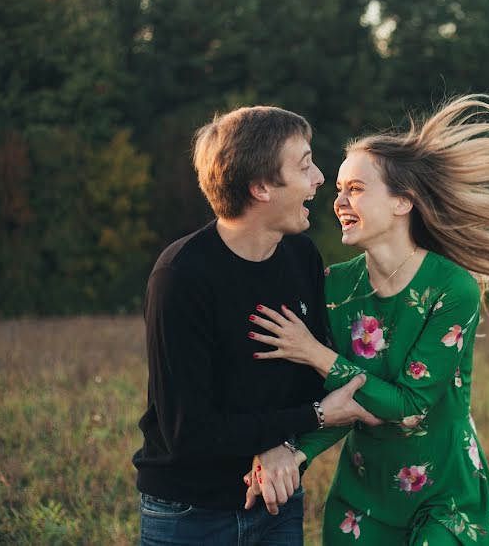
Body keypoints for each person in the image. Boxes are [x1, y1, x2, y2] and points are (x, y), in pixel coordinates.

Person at [244, 94, 489, 544]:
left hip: (445, 499)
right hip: (361, 502)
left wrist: (314, 352)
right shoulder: (334, 287)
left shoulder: (452, 289)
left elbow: (410, 406)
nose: (338, 201)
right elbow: (343, 403)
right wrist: (292, 452)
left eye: (355, 189)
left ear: (403, 202)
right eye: (338, 189)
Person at [132, 105, 380, 546]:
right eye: (304, 166)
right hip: (191, 515)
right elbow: (188, 433)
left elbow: (304, 381)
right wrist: (314, 417)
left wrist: (282, 447)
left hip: (276, 503)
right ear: (261, 187)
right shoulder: (181, 277)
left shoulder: (302, 257)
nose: (320, 178)